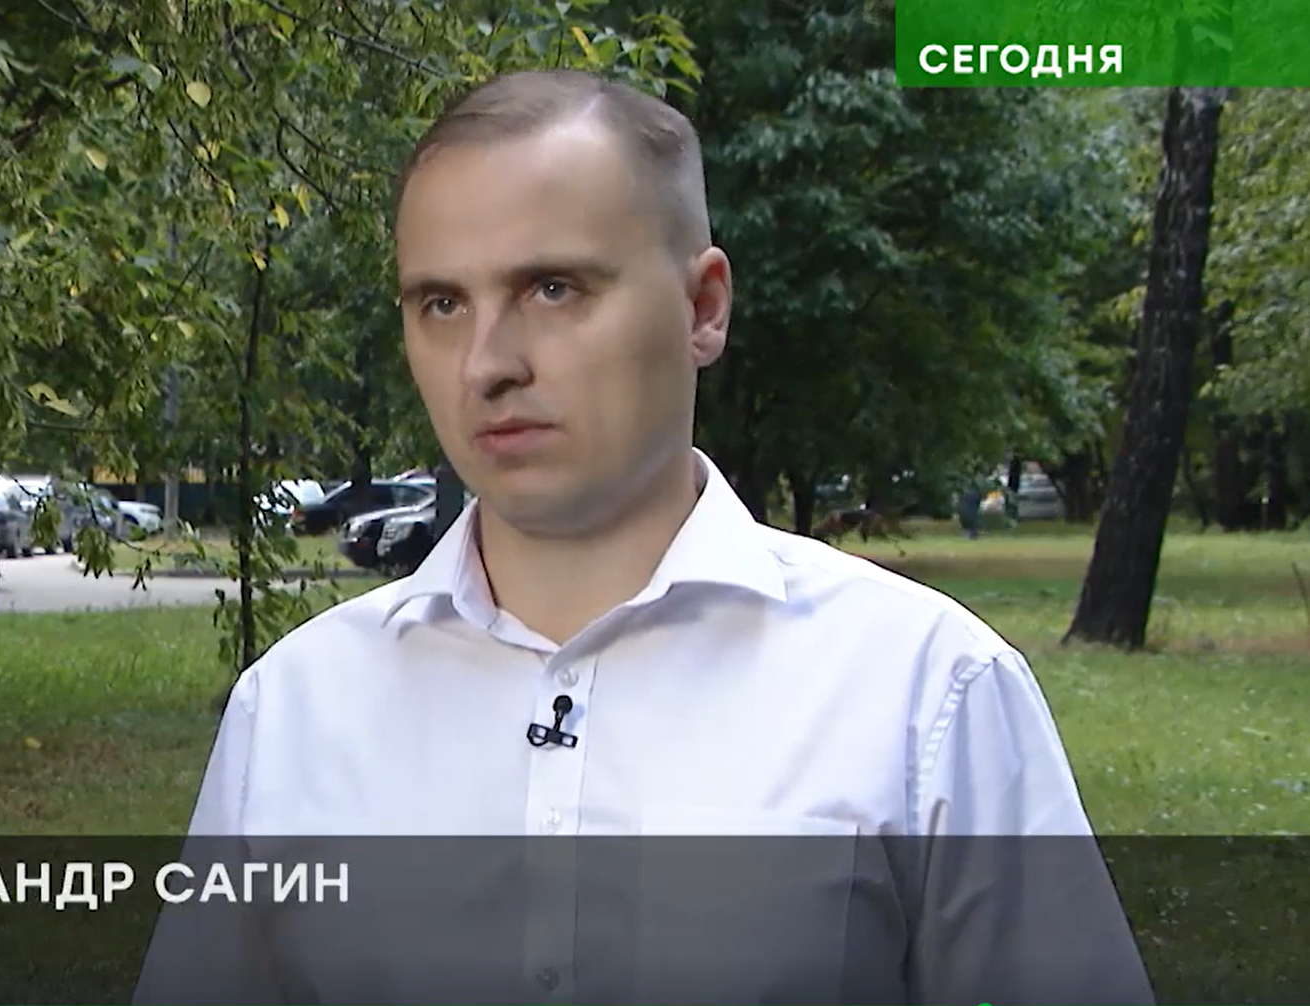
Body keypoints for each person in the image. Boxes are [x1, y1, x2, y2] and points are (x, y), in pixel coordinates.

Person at [135, 70, 1152, 1005]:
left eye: (552, 288)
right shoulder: (295, 712)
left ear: (703, 307)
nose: (486, 363)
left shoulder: (925, 693)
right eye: (441, 303)